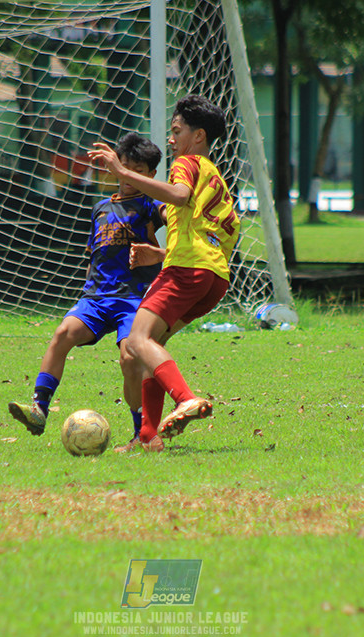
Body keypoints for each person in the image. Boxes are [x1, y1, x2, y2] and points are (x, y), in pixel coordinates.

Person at [88, 95, 240, 453]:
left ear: (198, 135)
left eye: (176, 131)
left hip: (187, 269)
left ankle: (185, 398)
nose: (170, 139)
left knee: (138, 340)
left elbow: (178, 195)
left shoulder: (186, 163)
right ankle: (147, 437)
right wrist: (160, 253)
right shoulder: (214, 175)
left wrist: (123, 172)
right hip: (213, 276)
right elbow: (223, 231)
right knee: (147, 350)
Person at [7, 133, 165, 449]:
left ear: (151, 176)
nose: (129, 176)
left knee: (129, 359)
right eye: (125, 167)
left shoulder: (151, 205)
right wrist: (86, 287)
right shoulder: (100, 208)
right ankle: (39, 410)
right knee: (62, 332)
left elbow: (175, 223)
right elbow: (95, 255)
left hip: (134, 298)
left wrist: (160, 251)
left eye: (139, 171)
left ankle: (141, 434)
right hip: (95, 297)